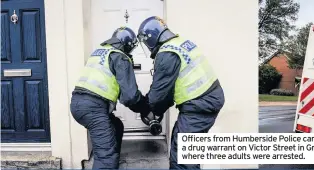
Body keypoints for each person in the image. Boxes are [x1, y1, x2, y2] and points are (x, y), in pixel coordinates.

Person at [137, 16, 225, 169]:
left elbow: (159, 96)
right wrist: (159, 108)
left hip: (199, 105)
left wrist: (150, 109)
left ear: (150, 38)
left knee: (184, 159)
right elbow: (170, 89)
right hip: (206, 100)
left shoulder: (166, 54)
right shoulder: (180, 43)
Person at [70, 27, 150, 169]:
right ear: (127, 44)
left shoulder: (99, 52)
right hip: (93, 108)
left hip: (78, 103)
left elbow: (115, 86)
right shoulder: (120, 57)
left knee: (116, 126)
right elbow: (130, 96)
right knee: (106, 156)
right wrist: (145, 109)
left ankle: (113, 162)